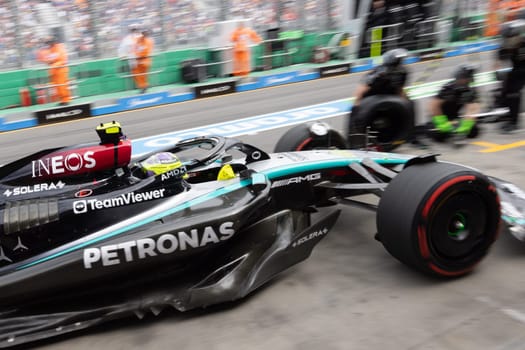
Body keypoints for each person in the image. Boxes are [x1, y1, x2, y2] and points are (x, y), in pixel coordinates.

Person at [429, 65, 480, 139]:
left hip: (454, 117)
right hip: (441, 115)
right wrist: (441, 122)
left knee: (474, 132)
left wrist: (466, 124)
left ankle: (455, 125)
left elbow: (472, 109)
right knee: (440, 135)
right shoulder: (448, 88)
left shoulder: (470, 90)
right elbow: (434, 105)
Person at [496, 19, 525, 133]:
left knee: (513, 92)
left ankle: (513, 122)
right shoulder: (508, 45)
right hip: (518, 69)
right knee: (506, 88)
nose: (507, 40)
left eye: (509, 38)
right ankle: (504, 112)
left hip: (522, 69)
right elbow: (501, 57)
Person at [42, 37, 71, 106]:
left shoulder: (60, 48)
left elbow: (63, 60)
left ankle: (66, 100)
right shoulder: (50, 50)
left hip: (61, 71)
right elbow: (48, 60)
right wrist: (48, 62)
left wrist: (54, 65)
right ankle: (62, 100)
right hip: (54, 72)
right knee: (57, 87)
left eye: (49, 43)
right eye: (47, 43)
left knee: (62, 86)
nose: (48, 44)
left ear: (53, 42)